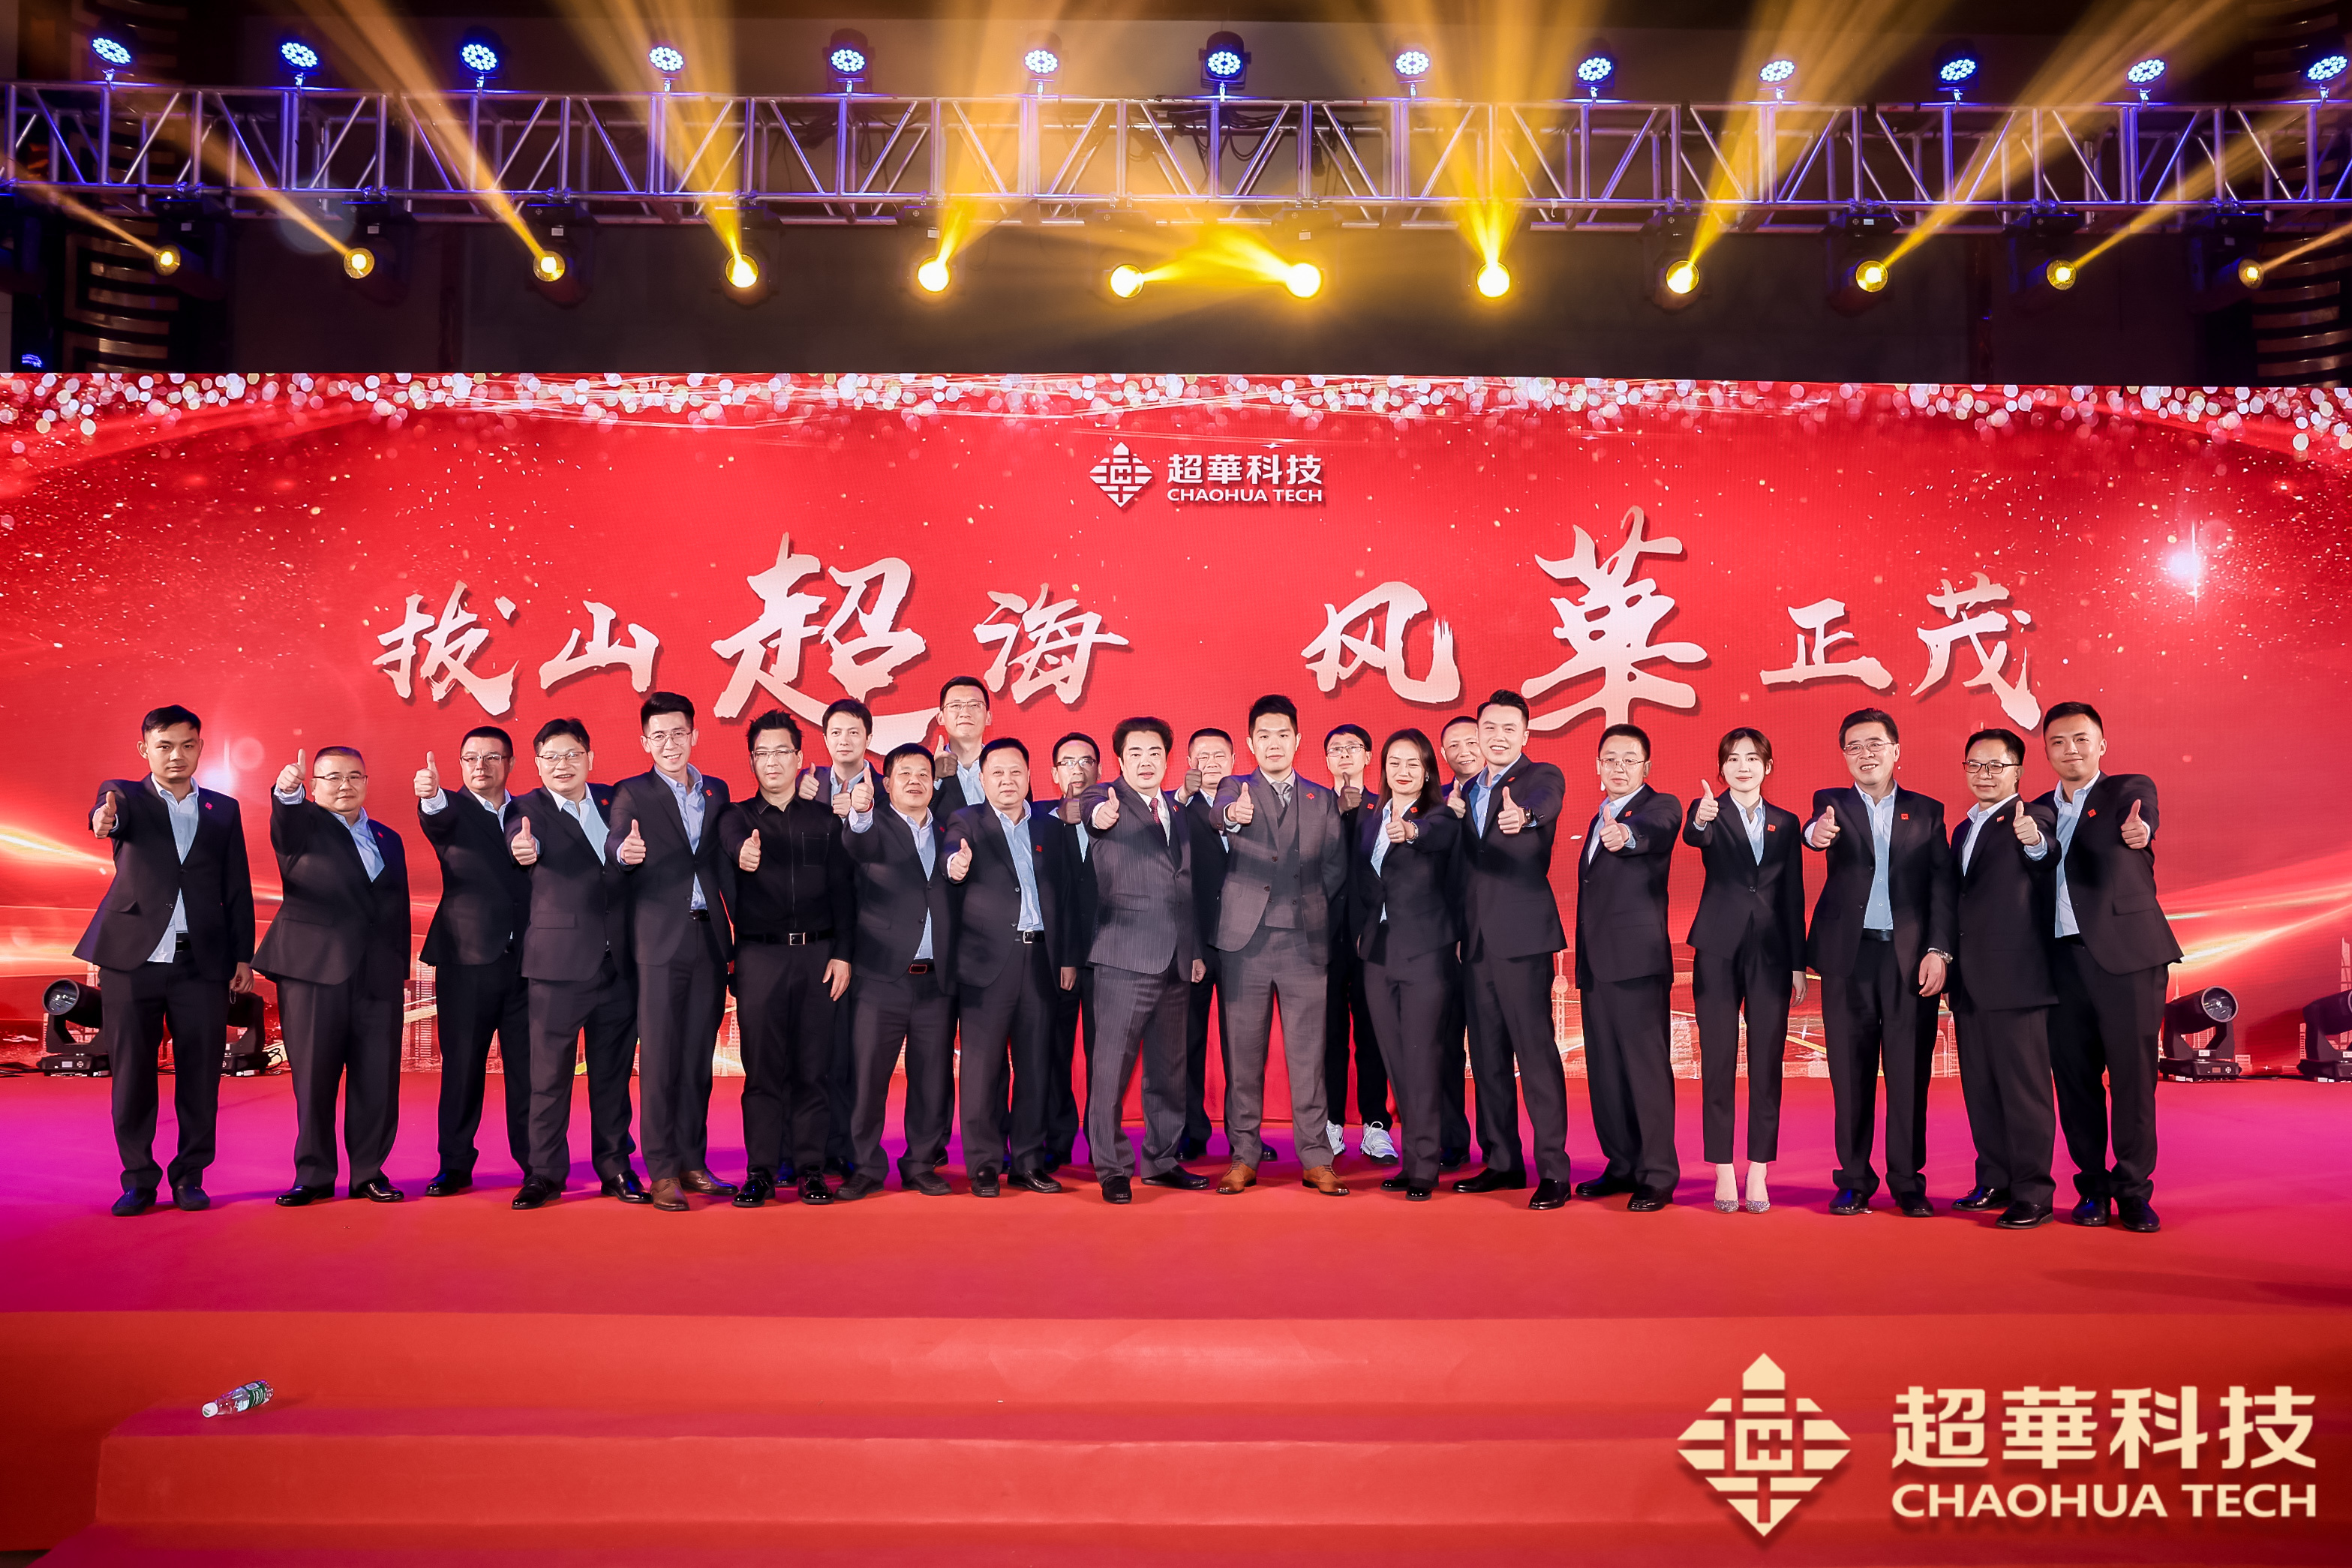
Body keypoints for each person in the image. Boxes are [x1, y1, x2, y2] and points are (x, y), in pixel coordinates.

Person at [80, 704, 255, 1216]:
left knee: (200, 1075)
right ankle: (138, 1179)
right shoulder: (124, 795)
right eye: (164, 746)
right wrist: (102, 820)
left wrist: (242, 955)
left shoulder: (223, 809)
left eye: (186, 745)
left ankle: (190, 1177)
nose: (176, 755)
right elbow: (105, 816)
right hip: (132, 960)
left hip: (202, 962)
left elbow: (237, 886)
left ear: (200, 748)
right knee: (132, 1074)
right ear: (145, 750)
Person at [2034, 701, 2181, 1233]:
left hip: (2127, 959)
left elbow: (2143, 821)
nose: (2069, 749)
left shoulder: (2126, 792)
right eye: (2057, 741)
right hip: (2058, 962)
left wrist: (2141, 832)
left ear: (2101, 745)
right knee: (2074, 1081)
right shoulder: (2034, 811)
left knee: (2132, 1079)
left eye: (2080, 739)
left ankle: (2134, 1191)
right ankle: (2092, 1187)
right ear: (2045, 750)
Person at [1805, 707, 1956, 1218]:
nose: (1864, 754)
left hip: (1907, 960)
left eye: (1874, 744)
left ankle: (1907, 1182)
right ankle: (1853, 1179)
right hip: (1848, 958)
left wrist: (1938, 950)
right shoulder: (1831, 803)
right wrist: (1815, 835)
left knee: (1909, 1074)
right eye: (1853, 746)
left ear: (1896, 751)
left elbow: (1942, 887)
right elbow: (1814, 832)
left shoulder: (1927, 811)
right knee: (1850, 1075)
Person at [256, 746, 410, 1206]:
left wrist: (397, 968)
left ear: (367, 781)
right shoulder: (302, 825)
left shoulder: (388, 837)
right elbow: (284, 817)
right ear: (314, 785)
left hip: (377, 974)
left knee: (377, 1079)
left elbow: (396, 906)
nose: (345, 785)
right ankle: (314, 1175)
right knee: (314, 1078)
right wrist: (286, 791)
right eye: (333, 777)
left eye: (354, 776)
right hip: (313, 970)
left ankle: (369, 1173)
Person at [1209, 696, 1350, 1197]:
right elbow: (1220, 816)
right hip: (1244, 945)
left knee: (1308, 1056)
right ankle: (1243, 1156)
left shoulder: (1321, 799)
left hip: (1304, 944)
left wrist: (1308, 908)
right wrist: (1232, 815)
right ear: (1250, 743)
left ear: (1297, 740)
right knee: (1243, 1056)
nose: (1274, 743)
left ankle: (1315, 1157)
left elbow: (1334, 867)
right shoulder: (1234, 788)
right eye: (1264, 735)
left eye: (1282, 734)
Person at [717, 710, 854, 1208]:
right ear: (751, 761)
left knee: (813, 1068)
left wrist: (843, 954)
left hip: (818, 956)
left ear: (799, 758)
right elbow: (732, 845)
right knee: (762, 1071)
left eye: (781, 751)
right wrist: (743, 854)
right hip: (760, 957)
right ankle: (760, 1170)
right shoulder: (735, 817)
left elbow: (844, 893)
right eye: (762, 753)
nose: (771, 761)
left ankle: (811, 1169)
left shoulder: (825, 821)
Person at [507, 719, 646, 1209]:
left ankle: (615, 1166)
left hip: (618, 965)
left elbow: (628, 859)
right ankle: (545, 1173)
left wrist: (630, 856)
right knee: (548, 1079)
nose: (561, 765)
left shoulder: (616, 801)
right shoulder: (525, 808)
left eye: (571, 755)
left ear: (590, 757)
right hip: (557, 968)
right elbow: (521, 843)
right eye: (550, 757)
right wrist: (524, 849)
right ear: (537, 764)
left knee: (613, 1077)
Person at [608, 692, 737, 1212]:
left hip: (708, 940)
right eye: (658, 735)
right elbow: (617, 841)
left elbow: (723, 855)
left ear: (694, 735)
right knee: (661, 1060)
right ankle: (661, 1171)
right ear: (645, 742)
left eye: (678, 733)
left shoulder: (715, 790)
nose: (670, 743)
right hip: (659, 943)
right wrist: (624, 853)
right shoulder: (632, 793)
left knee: (697, 1059)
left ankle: (691, 1161)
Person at [1447, 690, 1575, 1208]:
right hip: (1475, 942)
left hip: (1522, 939)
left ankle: (1554, 1170)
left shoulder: (1541, 776)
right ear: (1477, 733)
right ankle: (1501, 1161)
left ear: (1525, 734)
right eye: (1489, 728)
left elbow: (1546, 804)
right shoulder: (1463, 791)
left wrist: (1523, 817)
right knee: (1486, 1056)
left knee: (1535, 1053)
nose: (1497, 737)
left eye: (1508, 728)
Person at [1078, 718, 1209, 1203]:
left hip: (1176, 958)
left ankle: (1162, 1159)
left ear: (1167, 758)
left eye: (1155, 752)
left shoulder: (1176, 809)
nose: (1146, 761)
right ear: (1120, 760)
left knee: (1168, 1069)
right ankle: (1111, 1166)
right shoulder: (1105, 798)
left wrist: (1194, 951)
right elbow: (1089, 812)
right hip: (1124, 956)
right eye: (1135, 753)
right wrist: (1099, 814)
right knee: (1111, 1068)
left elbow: (1185, 884)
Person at [942, 737, 1080, 1195]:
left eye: (1015, 771)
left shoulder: (1049, 827)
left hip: (1040, 959)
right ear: (982, 779)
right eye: (996, 773)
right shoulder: (966, 820)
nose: (1007, 781)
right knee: (982, 1070)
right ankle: (983, 1163)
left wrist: (1066, 958)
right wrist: (955, 865)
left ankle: (1027, 1161)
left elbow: (1064, 897)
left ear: (1029, 775)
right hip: (987, 965)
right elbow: (951, 853)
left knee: (1035, 1066)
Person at [1683, 728, 1807, 1215]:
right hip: (1716, 948)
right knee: (1717, 1060)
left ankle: (1758, 1168)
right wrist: (1699, 817)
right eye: (1732, 759)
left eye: (1752, 758)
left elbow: (1793, 894)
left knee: (1766, 1061)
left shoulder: (1786, 822)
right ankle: (1721, 1168)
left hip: (1771, 954)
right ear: (1721, 769)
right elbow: (1696, 836)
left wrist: (1797, 963)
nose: (1742, 767)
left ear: (1767, 766)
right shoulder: (1709, 813)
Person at [1949, 727, 2062, 1230]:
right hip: (1970, 982)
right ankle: (1994, 1179)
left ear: (2017, 771)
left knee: (2024, 1092)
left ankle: (2034, 1193)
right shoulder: (1962, 828)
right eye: (1975, 765)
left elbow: (2045, 849)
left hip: (2017, 980)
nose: (1984, 774)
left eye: (1996, 766)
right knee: (1982, 1090)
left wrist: (2034, 840)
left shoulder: (2031, 815)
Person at [413, 728, 532, 1198]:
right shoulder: (451, 808)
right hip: (466, 959)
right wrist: (431, 797)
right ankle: (455, 1164)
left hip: (528, 961)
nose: (480, 766)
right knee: (462, 1068)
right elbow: (436, 817)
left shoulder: (533, 811)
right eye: (470, 758)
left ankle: (536, 1163)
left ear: (511, 763)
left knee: (529, 1071)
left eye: (491, 757)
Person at [1572, 725, 1683, 1211]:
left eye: (1629, 759)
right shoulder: (1598, 815)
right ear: (1597, 766)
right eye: (1610, 759)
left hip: (1637, 965)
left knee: (1645, 1071)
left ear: (1646, 767)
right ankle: (1621, 1163)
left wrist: (1627, 835)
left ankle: (1657, 1174)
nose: (1619, 768)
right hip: (1597, 966)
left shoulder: (1660, 807)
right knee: (1606, 1072)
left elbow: (1654, 833)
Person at [840, 744, 957, 1198]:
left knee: (932, 1079)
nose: (915, 781)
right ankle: (866, 1166)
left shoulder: (950, 829)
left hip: (937, 981)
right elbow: (857, 841)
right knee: (869, 1078)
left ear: (934, 783)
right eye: (904, 773)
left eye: (923, 773)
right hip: (881, 977)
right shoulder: (874, 825)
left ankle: (921, 1163)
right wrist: (860, 812)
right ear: (886, 784)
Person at [1353, 730, 1462, 1202]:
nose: (1402, 771)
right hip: (1378, 953)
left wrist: (1411, 831)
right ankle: (1412, 1158)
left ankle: (1424, 1164)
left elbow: (1436, 835)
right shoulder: (1371, 817)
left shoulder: (1439, 815)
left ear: (1427, 771)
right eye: (1395, 762)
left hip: (1424, 953)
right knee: (1396, 1059)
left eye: (1413, 764)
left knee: (1422, 1058)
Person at [809, 698, 880, 1180]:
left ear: (868, 738)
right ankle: (816, 1144)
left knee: (860, 1050)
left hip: (877, 934)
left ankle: (854, 1145)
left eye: (854, 732)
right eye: (836, 732)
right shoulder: (806, 787)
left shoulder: (891, 787)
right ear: (825, 739)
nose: (845, 740)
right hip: (821, 934)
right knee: (822, 1046)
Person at [1321, 722, 1393, 1163]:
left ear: (1368, 756)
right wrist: (1337, 814)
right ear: (1326, 758)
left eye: (1353, 747)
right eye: (1336, 748)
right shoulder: (1314, 806)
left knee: (1372, 1032)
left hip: (1372, 938)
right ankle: (1330, 1122)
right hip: (1323, 939)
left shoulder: (1385, 807)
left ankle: (1375, 1125)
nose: (1345, 754)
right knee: (1328, 1035)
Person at [1035, 731, 1102, 1173]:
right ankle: (1056, 1140)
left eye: (1086, 761)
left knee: (1104, 1057)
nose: (1077, 770)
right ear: (1054, 773)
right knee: (1052, 1052)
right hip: (1053, 961)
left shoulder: (1117, 815)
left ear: (1100, 769)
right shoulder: (1036, 821)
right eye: (1068, 762)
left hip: (1106, 959)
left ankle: (1102, 1142)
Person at [1177, 726, 1236, 1161]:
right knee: (1188, 1042)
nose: (1212, 763)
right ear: (1189, 762)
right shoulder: (1177, 809)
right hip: (1195, 945)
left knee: (1242, 1046)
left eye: (1220, 755)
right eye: (1203, 756)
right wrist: (1192, 945)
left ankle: (1243, 1135)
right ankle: (1190, 1130)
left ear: (1234, 761)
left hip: (1244, 944)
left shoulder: (1251, 804)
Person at [1428, 713, 1484, 1168]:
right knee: (1444, 1046)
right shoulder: (1434, 802)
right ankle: (1451, 1139)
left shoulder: (1506, 797)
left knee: (1489, 1048)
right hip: (1442, 945)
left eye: (1472, 741)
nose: (1463, 751)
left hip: (1489, 944)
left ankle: (1499, 1148)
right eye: (1453, 745)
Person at [928, 675, 993, 817]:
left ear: (988, 717)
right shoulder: (925, 770)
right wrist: (934, 777)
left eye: (974, 705)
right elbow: (913, 820)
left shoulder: (1007, 767)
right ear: (940, 718)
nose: (965, 713)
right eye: (956, 706)